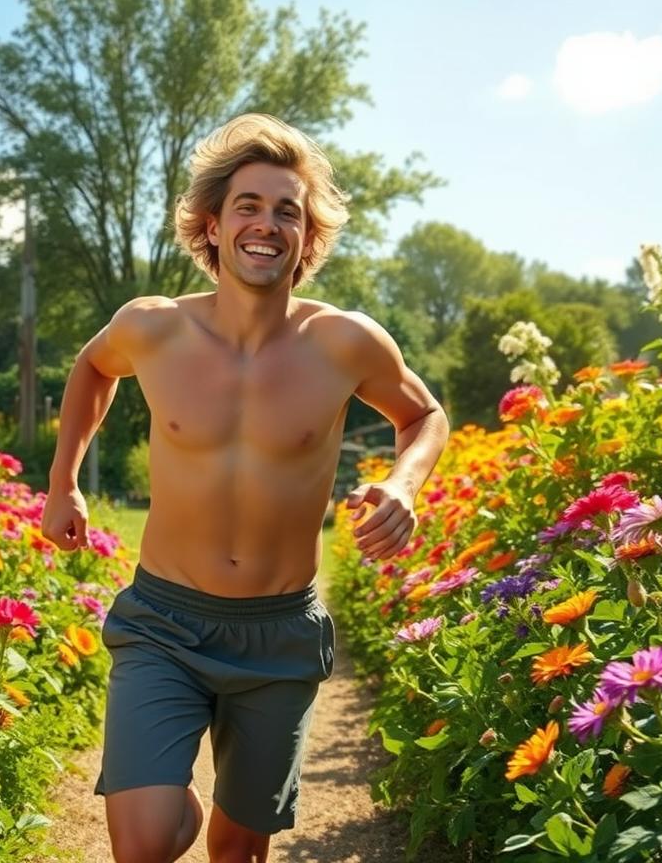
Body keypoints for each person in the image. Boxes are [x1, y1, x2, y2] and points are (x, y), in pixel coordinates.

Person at [40, 113, 449, 863]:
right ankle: (167, 802)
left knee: (238, 854)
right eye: (249, 207)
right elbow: (92, 367)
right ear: (212, 227)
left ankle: (196, 802)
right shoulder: (153, 329)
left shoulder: (344, 342)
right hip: (164, 620)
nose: (267, 225)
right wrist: (63, 480)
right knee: (144, 845)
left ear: (308, 234)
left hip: (279, 634)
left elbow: (424, 413)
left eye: (286, 211)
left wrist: (404, 485)